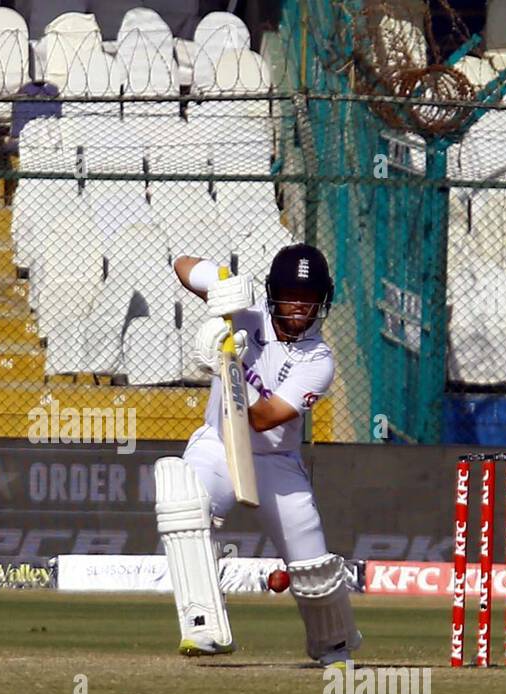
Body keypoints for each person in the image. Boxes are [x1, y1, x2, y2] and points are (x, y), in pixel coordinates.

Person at [154, 244, 363, 666]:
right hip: (217, 445)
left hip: (275, 461)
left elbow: (265, 418)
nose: (300, 305)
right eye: (291, 294)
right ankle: (204, 626)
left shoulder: (318, 359)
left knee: (313, 570)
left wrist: (225, 368)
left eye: (309, 297)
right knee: (183, 502)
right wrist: (223, 286)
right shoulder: (244, 314)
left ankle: (332, 645)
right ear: (273, 292)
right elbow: (181, 264)